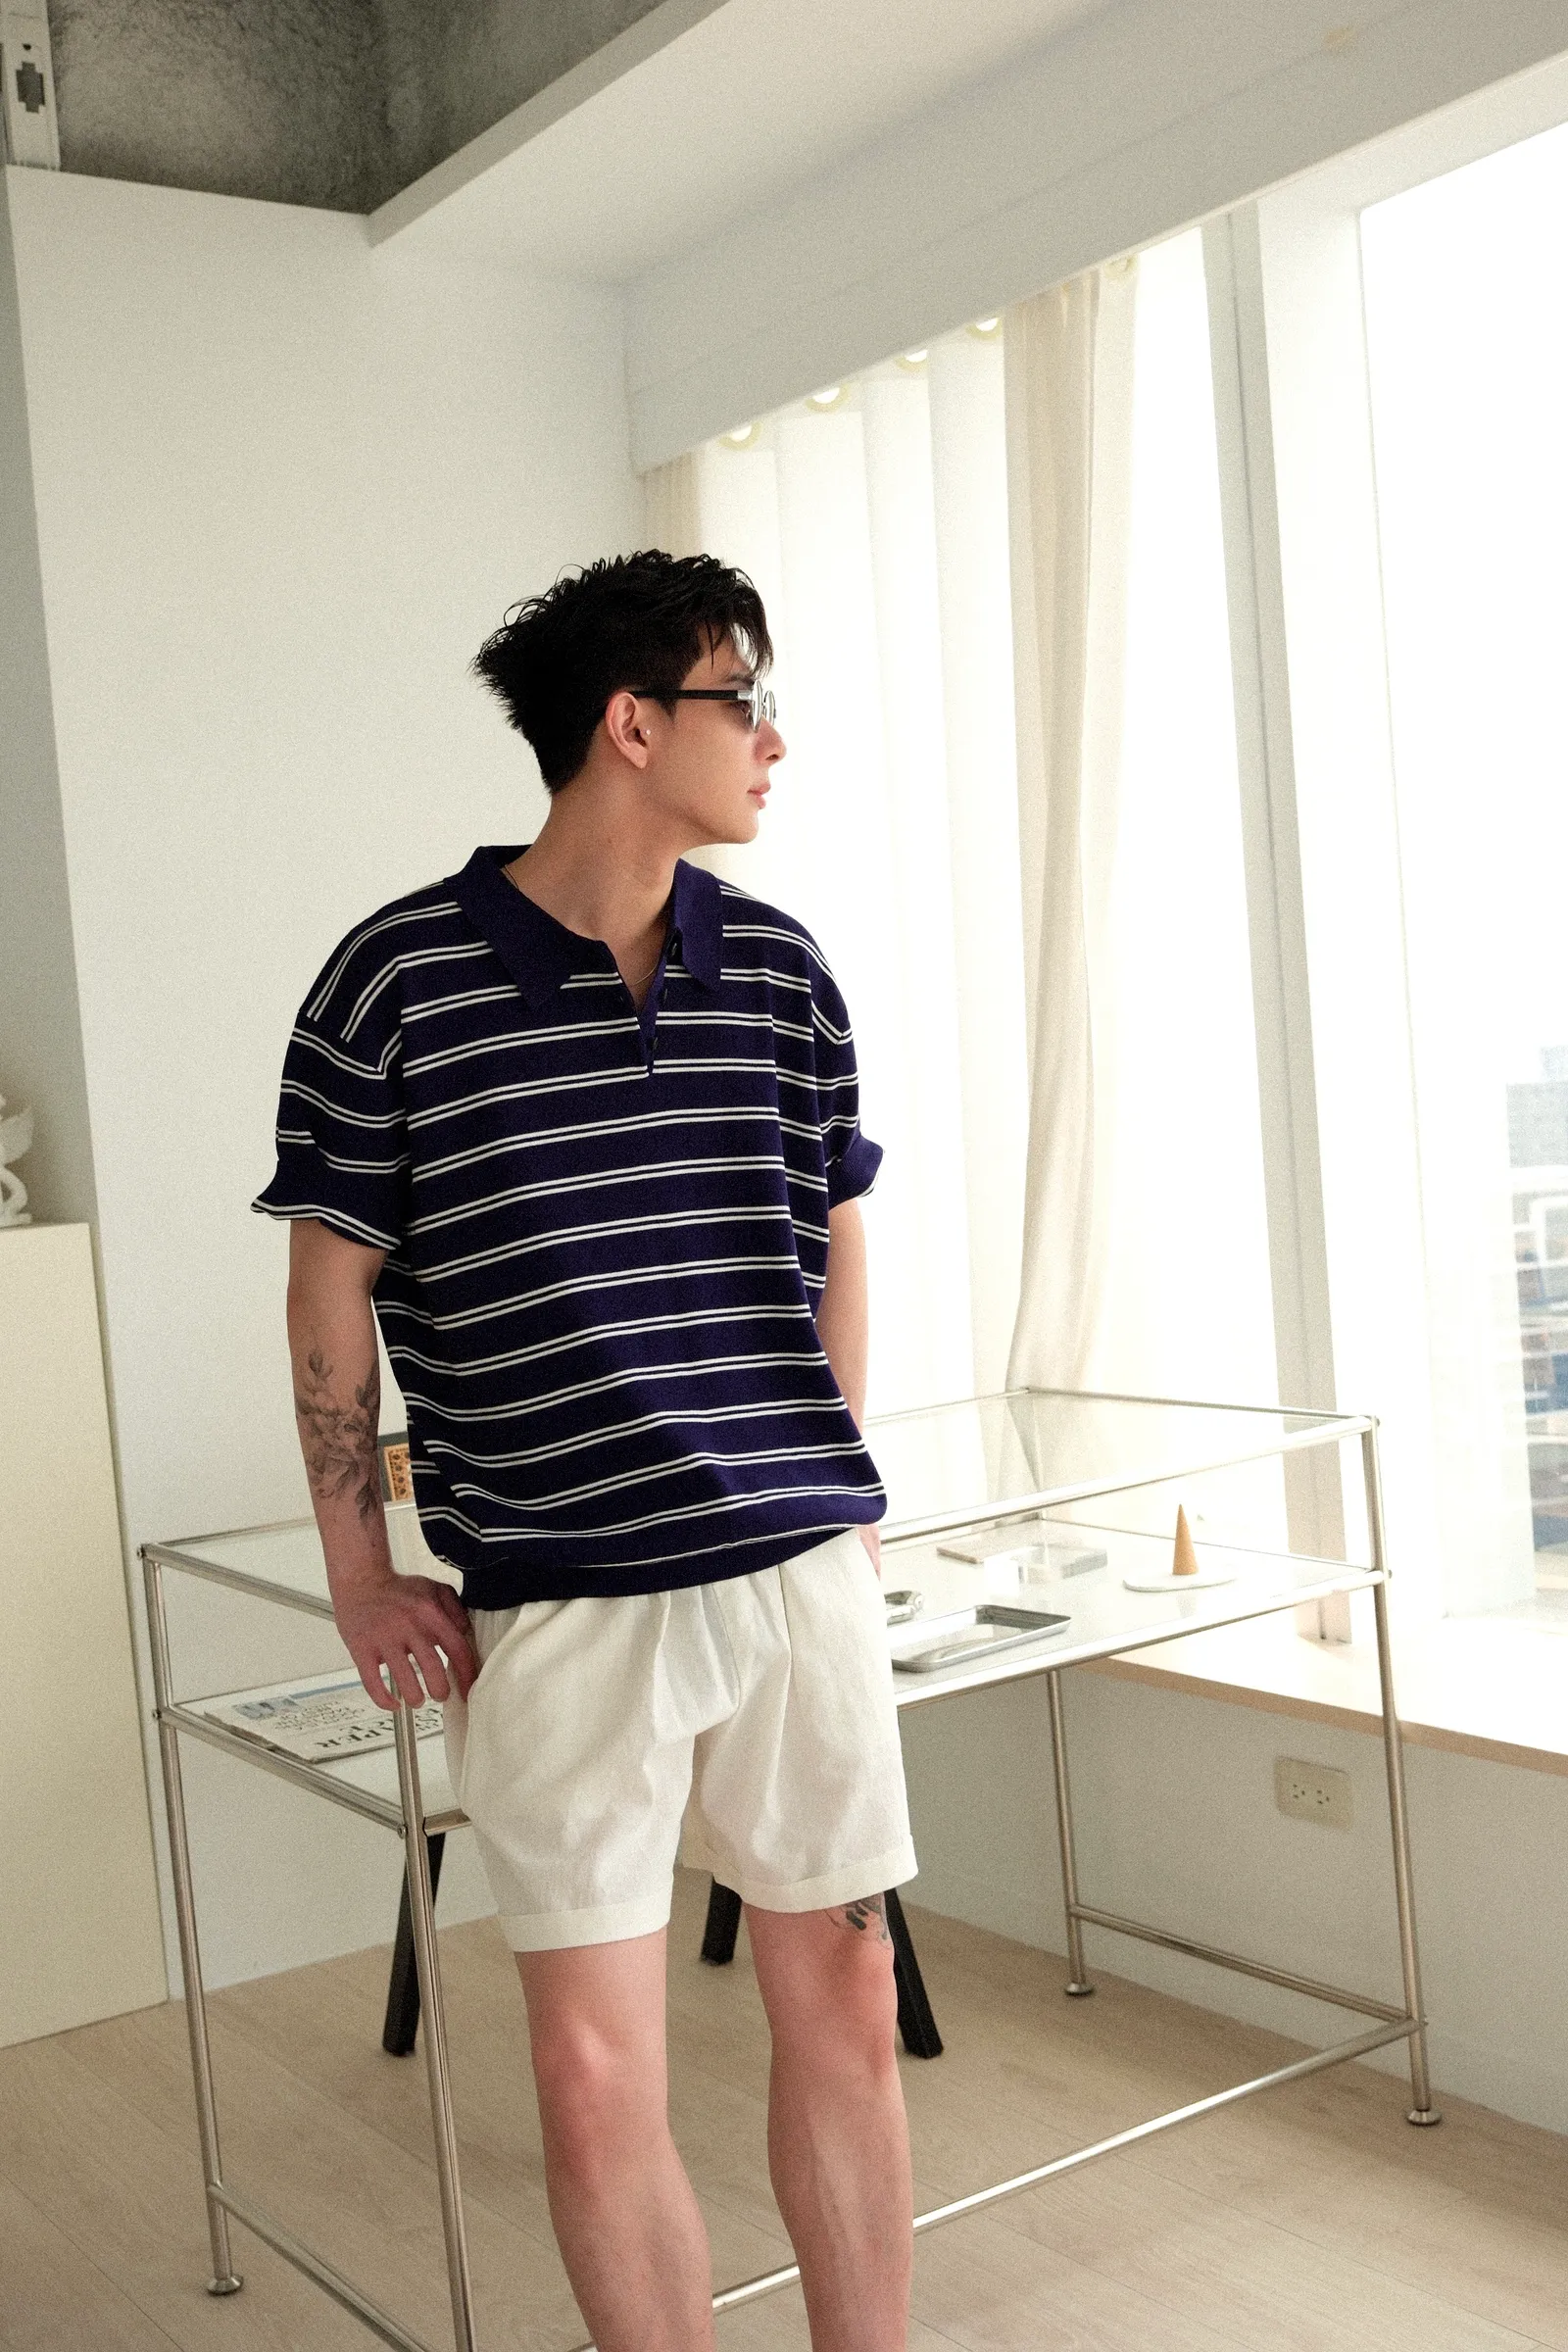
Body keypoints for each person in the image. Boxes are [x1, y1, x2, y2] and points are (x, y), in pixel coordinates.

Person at [254, 550, 917, 2351]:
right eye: (741, 699)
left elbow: (836, 1229)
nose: (772, 739)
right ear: (632, 725)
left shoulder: (778, 969)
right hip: (560, 1598)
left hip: (793, 1576)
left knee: (850, 2008)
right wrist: (360, 1572)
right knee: (592, 2072)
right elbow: (329, 1289)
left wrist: (841, 1487)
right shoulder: (393, 982)